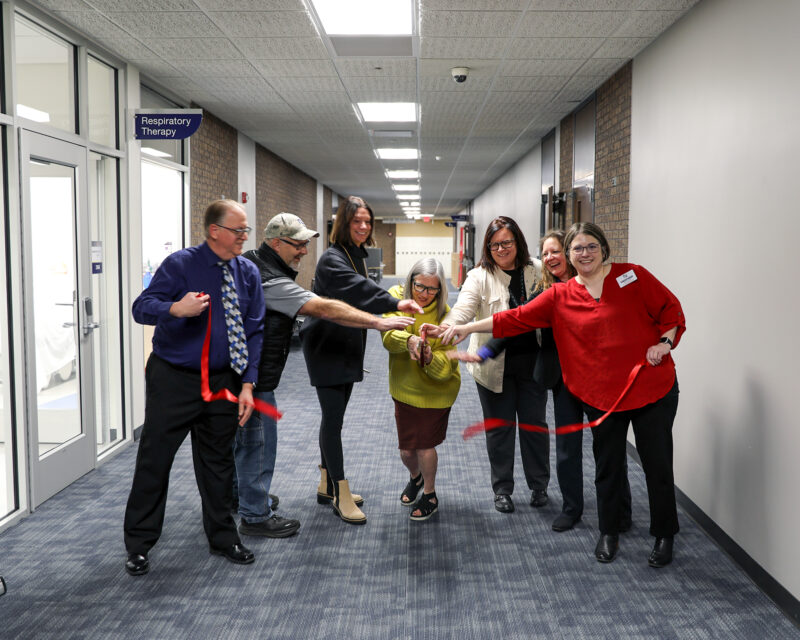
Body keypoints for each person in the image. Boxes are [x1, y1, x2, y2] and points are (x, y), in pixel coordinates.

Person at [434, 222, 684, 568]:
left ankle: (664, 534)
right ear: (569, 255)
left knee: (657, 465)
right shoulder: (560, 294)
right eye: (577, 248)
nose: (585, 254)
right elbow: (512, 319)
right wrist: (464, 328)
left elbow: (670, 310)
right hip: (603, 395)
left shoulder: (633, 276)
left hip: (650, 387)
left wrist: (665, 343)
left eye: (591, 246)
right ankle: (608, 531)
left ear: (603, 247)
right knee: (607, 466)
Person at [234, 213, 414, 537]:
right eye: (298, 244)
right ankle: (268, 509)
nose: (304, 250)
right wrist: (382, 316)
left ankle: (321, 485)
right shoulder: (309, 267)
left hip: (293, 361)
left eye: (306, 243)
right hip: (307, 355)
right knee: (266, 441)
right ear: (276, 243)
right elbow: (325, 306)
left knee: (322, 423)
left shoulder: (343, 257)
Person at [453, 230, 633, 533]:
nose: (550, 258)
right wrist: (482, 351)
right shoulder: (549, 292)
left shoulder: (599, 286)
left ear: (570, 253)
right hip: (563, 381)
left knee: (609, 448)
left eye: (556, 252)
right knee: (566, 449)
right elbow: (515, 322)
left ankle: (620, 512)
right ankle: (571, 508)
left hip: (601, 379)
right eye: (545, 253)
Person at [124, 199, 265, 576]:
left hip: (224, 381)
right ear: (214, 231)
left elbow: (254, 332)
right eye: (238, 230)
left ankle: (223, 538)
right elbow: (142, 307)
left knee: (218, 463)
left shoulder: (248, 272)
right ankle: (139, 544)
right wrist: (175, 309)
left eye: (245, 230)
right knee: (156, 460)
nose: (244, 237)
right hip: (175, 378)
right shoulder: (181, 265)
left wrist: (248, 383)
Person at [301, 196, 423, 525]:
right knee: (333, 420)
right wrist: (393, 305)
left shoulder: (356, 254)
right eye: (357, 221)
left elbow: (363, 287)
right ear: (344, 222)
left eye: (368, 221)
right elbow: (358, 289)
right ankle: (340, 492)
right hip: (326, 347)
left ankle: (326, 483)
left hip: (344, 346)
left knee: (333, 418)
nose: (364, 227)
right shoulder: (331, 259)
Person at [440, 216, 549, 515]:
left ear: (518, 243)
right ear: (488, 246)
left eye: (507, 243)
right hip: (492, 364)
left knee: (534, 426)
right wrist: (448, 327)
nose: (501, 249)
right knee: (499, 429)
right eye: (495, 244)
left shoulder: (537, 270)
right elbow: (462, 310)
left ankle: (539, 485)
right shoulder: (479, 276)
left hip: (532, 364)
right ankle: (502, 489)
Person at [381, 258, 461, 521]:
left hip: (436, 393)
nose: (425, 294)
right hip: (404, 388)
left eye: (432, 289)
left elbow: (446, 369)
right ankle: (415, 478)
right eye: (420, 286)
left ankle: (430, 493)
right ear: (410, 281)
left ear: (440, 291)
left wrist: (428, 356)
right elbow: (389, 338)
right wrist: (411, 340)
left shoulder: (444, 315)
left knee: (425, 447)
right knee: (406, 450)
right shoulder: (396, 298)